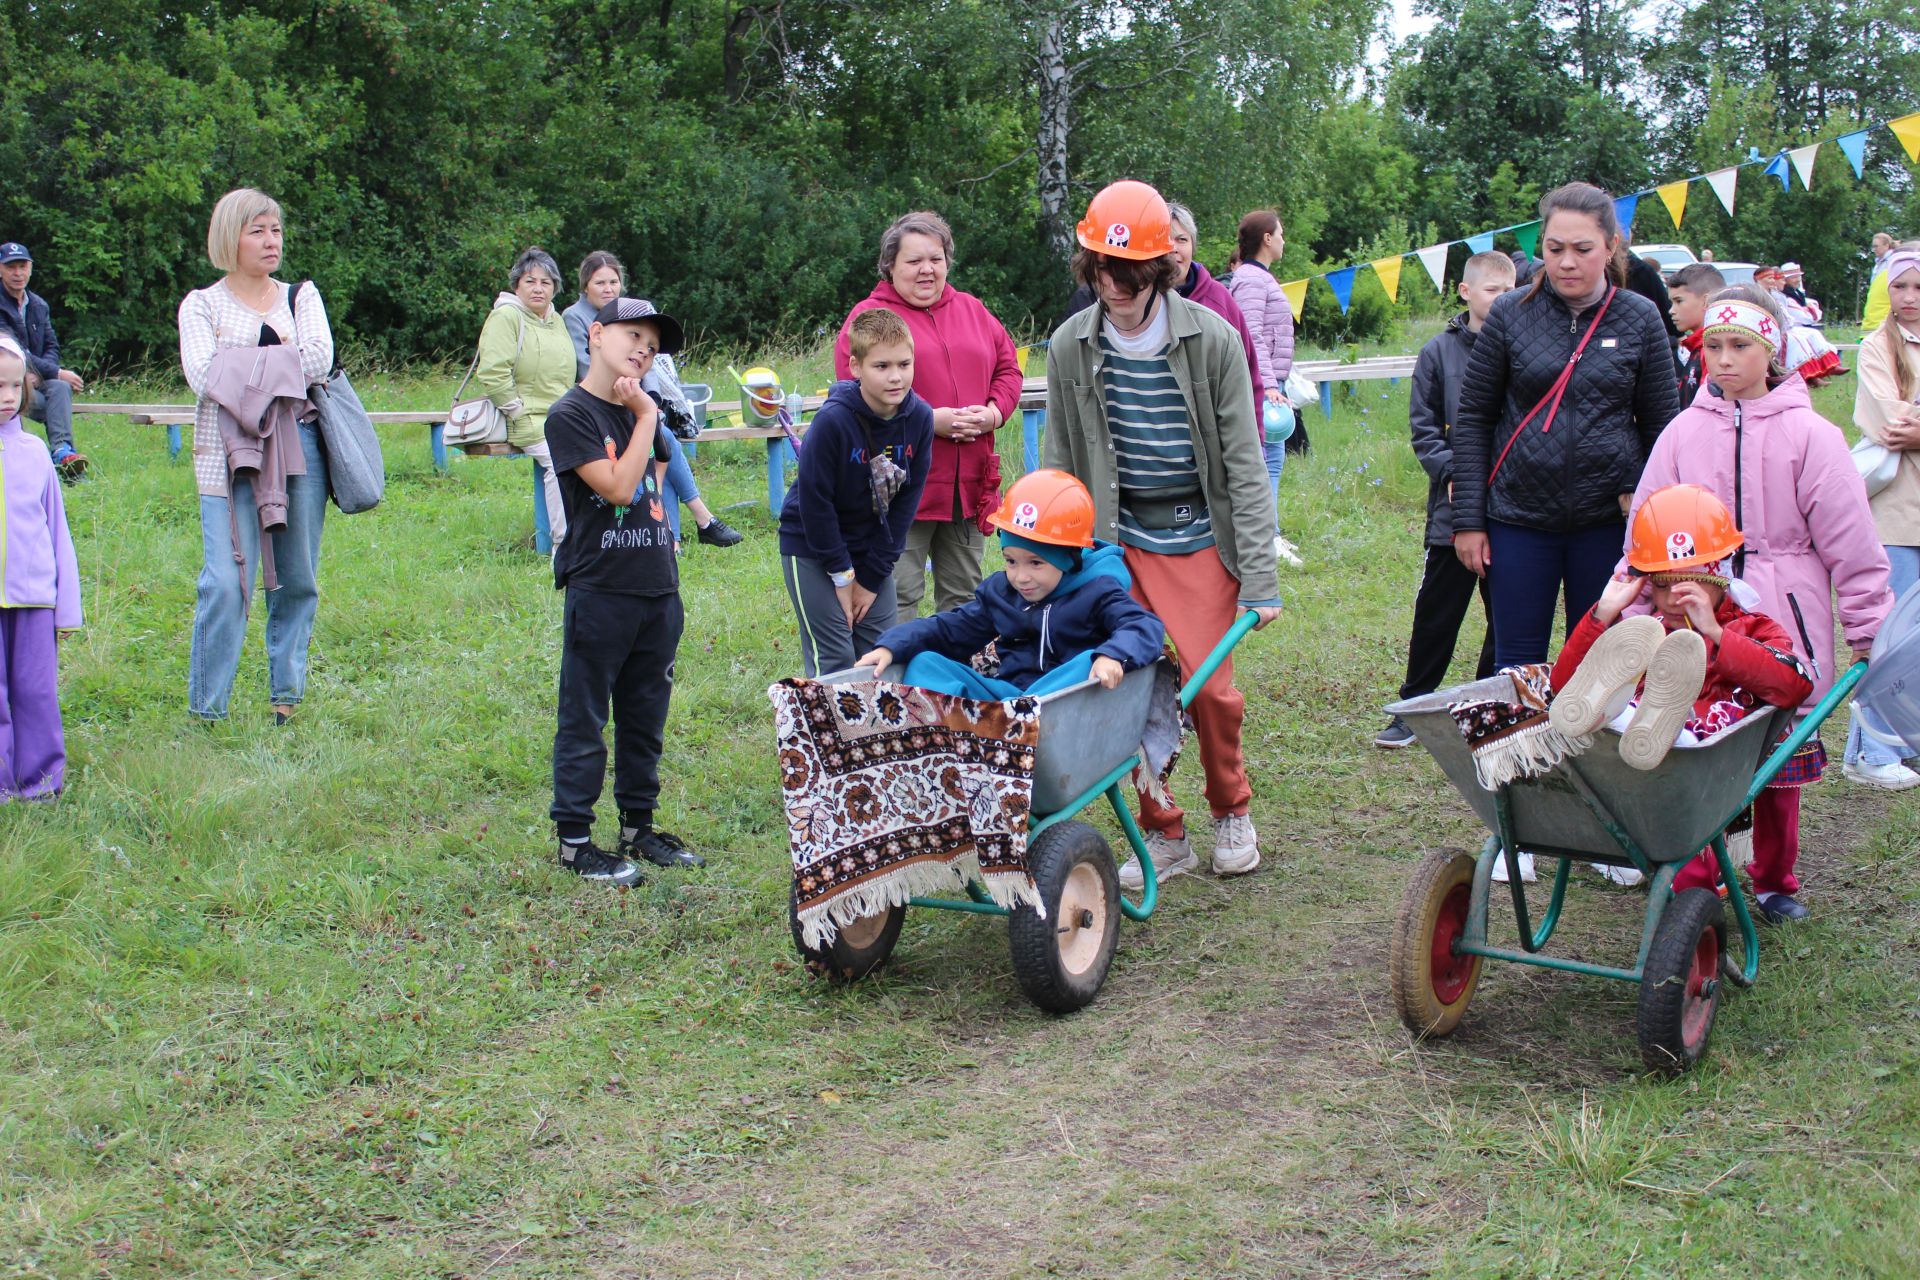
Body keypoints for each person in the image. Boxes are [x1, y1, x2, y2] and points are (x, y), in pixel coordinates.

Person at [1043, 179, 1283, 886]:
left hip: (1200, 536)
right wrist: (1060, 562)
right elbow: (1060, 461)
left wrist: (1261, 580)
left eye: (1128, 273)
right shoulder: (1069, 345)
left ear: (1159, 269)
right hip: (1119, 541)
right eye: (1100, 271)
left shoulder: (1212, 338)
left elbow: (1244, 462)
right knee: (1126, 689)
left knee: (1209, 691)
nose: (1112, 286)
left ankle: (1231, 810)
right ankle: (1162, 830)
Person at [1628, 286, 1894, 921]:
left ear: (1771, 352)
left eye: (1739, 346)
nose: (1723, 360)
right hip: (1693, 614)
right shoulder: (1682, 433)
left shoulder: (1812, 436)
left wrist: (1866, 622)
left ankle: (1775, 878)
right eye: (1712, 346)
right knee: (1693, 745)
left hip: (1785, 615)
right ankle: (1698, 876)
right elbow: (1647, 525)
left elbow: (1851, 539)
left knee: (1778, 756)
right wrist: (1637, 609)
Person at [1449, 182, 1681, 881]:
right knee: (1514, 668)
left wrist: (1652, 524)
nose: (1568, 262)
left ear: (1611, 248)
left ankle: (1611, 833)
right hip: (1518, 520)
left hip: (1606, 529)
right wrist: (1469, 521)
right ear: (1538, 250)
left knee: (1608, 669)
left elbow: (1664, 429)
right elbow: (1473, 420)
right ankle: (1516, 830)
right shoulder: (1513, 317)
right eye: (1554, 249)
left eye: (1583, 249)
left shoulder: (1640, 318)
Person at [544, 297, 706, 885]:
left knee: (645, 714)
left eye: (654, 346)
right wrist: (642, 419)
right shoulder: (571, 415)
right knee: (585, 716)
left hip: (656, 586)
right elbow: (615, 487)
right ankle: (575, 841)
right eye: (633, 335)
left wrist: (647, 420)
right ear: (596, 335)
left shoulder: (648, 410)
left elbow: (658, 477)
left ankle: (638, 826)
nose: (644, 349)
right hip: (601, 588)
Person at [178, 188, 335, 724]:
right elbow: (202, 376)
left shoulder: (301, 297)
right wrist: (278, 361)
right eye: (258, 231)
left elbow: (318, 359)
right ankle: (207, 712)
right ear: (230, 237)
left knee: (297, 576)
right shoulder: (201, 304)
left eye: (276, 231)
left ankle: (285, 701)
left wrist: (239, 364)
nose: (272, 242)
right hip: (224, 455)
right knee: (225, 581)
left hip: (302, 450)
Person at [833, 212, 1021, 618]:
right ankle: (890, 679)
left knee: (965, 598)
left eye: (935, 259)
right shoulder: (871, 317)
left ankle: (950, 679)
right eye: (914, 261)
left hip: (967, 483)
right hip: (901, 483)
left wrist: (993, 414)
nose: (926, 270)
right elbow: (853, 394)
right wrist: (928, 421)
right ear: (890, 266)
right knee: (897, 595)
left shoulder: (973, 310)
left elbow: (1009, 369)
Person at [856, 469, 1166, 698]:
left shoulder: (1097, 591)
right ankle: (980, 728)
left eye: (1036, 562)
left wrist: (1112, 655)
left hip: (1060, 705)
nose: (1020, 576)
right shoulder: (1002, 593)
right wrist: (892, 645)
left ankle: (1007, 723)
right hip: (1008, 699)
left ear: (1069, 558)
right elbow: (949, 629)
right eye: (1010, 561)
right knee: (926, 663)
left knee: (1088, 660)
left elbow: (1143, 625)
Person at [1375, 250, 1512, 749]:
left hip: (1511, 508)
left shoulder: (1521, 347)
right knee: (1437, 612)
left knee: (1507, 614)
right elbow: (1424, 427)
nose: (1501, 300)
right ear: (1466, 291)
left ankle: (1484, 703)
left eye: (1509, 290)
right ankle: (1414, 707)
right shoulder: (1438, 353)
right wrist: (1454, 472)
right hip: (1452, 513)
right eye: (1492, 290)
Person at [782, 308, 934, 676]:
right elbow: (815, 505)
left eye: (904, 364)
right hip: (813, 547)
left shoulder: (920, 418)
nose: (895, 377)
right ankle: (829, 734)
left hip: (871, 548)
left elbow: (905, 505)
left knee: (880, 657)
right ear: (855, 366)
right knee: (835, 660)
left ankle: (876, 735)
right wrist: (842, 577)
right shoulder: (833, 421)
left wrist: (869, 578)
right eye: (881, 366)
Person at [562, 251, 741, 550]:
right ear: (585, 287)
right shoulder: (575, 317)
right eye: (600, 282)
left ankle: (670, 536)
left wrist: (652, 401)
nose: (608, 289)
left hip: (636, 398)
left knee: (660, 443)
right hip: (606, 400)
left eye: (614, 282)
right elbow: (586, 364)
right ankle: (701, 518)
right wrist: (644, 410)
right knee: (663, 437)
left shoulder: (636, 314)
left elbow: (651, 368)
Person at [1844, 245, 1920, 790]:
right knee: (1891, 635)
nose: (1909, 299)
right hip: (1896, 512)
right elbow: (1891, 423)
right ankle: (1871, 748)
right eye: (1900, 287)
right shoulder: (1877, 347)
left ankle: (1905, 742)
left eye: (1919, 288)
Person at [0, 336, 81, 798]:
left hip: (33, 602)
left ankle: (41, 783)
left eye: (15, 386)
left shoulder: (35, 456)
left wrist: (65, 610)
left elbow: (58, 535)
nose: (8, 397)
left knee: (34, 694)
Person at [473, 247, 576, 546]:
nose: (538, 288)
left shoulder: (556, 321)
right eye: (530, 281)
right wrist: (515, 409)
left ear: (554, 287)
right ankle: (563, 546)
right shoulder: (506, 316)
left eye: (546, 282)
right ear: (517, 285)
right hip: (528, 419)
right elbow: (492, 372)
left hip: (561, 416)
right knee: (564, 464)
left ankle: (595, 539)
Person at [1226, 209, 1306, 569]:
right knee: (1263, 461)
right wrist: (1269, 385)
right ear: (1267, 239)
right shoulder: (1251, 280)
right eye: (1282, 233)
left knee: (1272, 459)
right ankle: (1263, 537)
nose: (1284, 240)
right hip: (1262, 385)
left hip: (1273, 381)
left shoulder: (1260, 277)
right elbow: (1251, 334)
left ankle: (1269, 531)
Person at [0, 242, 87, 480]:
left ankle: (62, 452)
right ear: (0, 270)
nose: (17, 273)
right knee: (58, 390)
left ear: (30, 269)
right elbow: (12, 348)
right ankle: (64, 460)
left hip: (34, 379)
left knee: (60, 387)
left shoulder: (38, 305)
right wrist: (54, 372)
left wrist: (43, 375)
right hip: (7, 384)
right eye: (11, 267)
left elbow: (51, 345)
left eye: (22, 266)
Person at [1667, 262, 1725, 405]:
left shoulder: (1714, 350)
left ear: (1706, 301)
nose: (1671, 310)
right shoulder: (1698, 346)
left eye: (1678, 301)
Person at [1863, 234, 1909, 333]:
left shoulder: (1892, 262)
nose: (1874, 249)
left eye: (1876, 246)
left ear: (1887, 245)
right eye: (1873, 247)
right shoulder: (1879, 263)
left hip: (1885, 316)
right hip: (1875, 316)